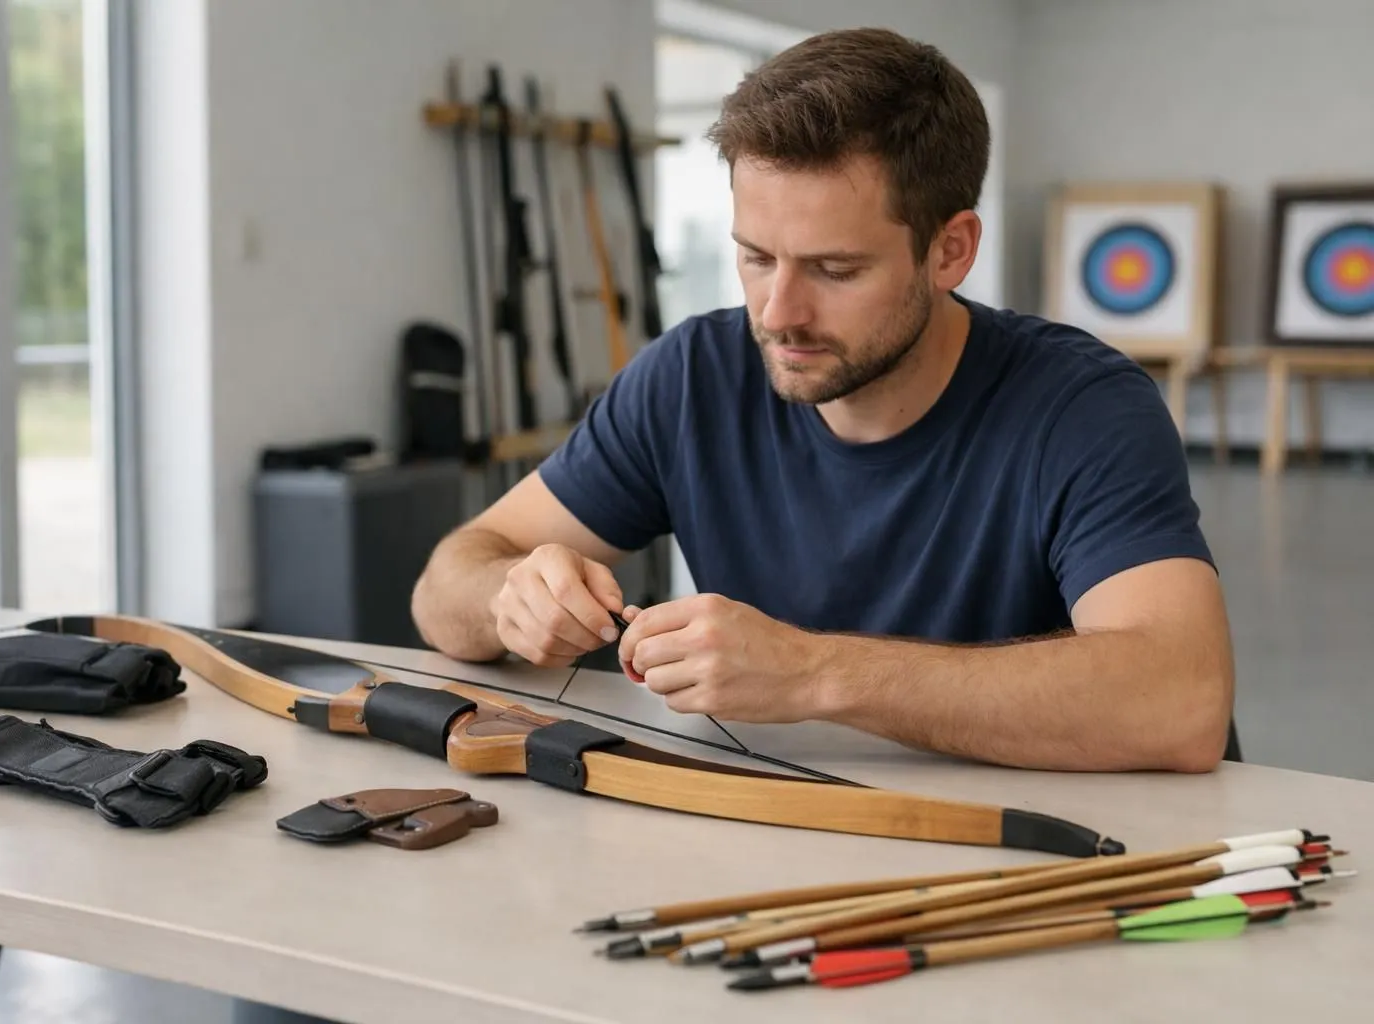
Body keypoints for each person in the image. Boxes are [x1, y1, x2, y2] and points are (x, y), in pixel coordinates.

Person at [411, 27, 1234, 774]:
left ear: (950, 250)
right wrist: (509, 600)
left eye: (835, 270)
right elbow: (446, 586)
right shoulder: (690, 375)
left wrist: (814, 673)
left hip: (1063, 855)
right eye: (756, 257)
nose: (777, 314)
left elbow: (1180, 701)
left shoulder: (1082, 407)